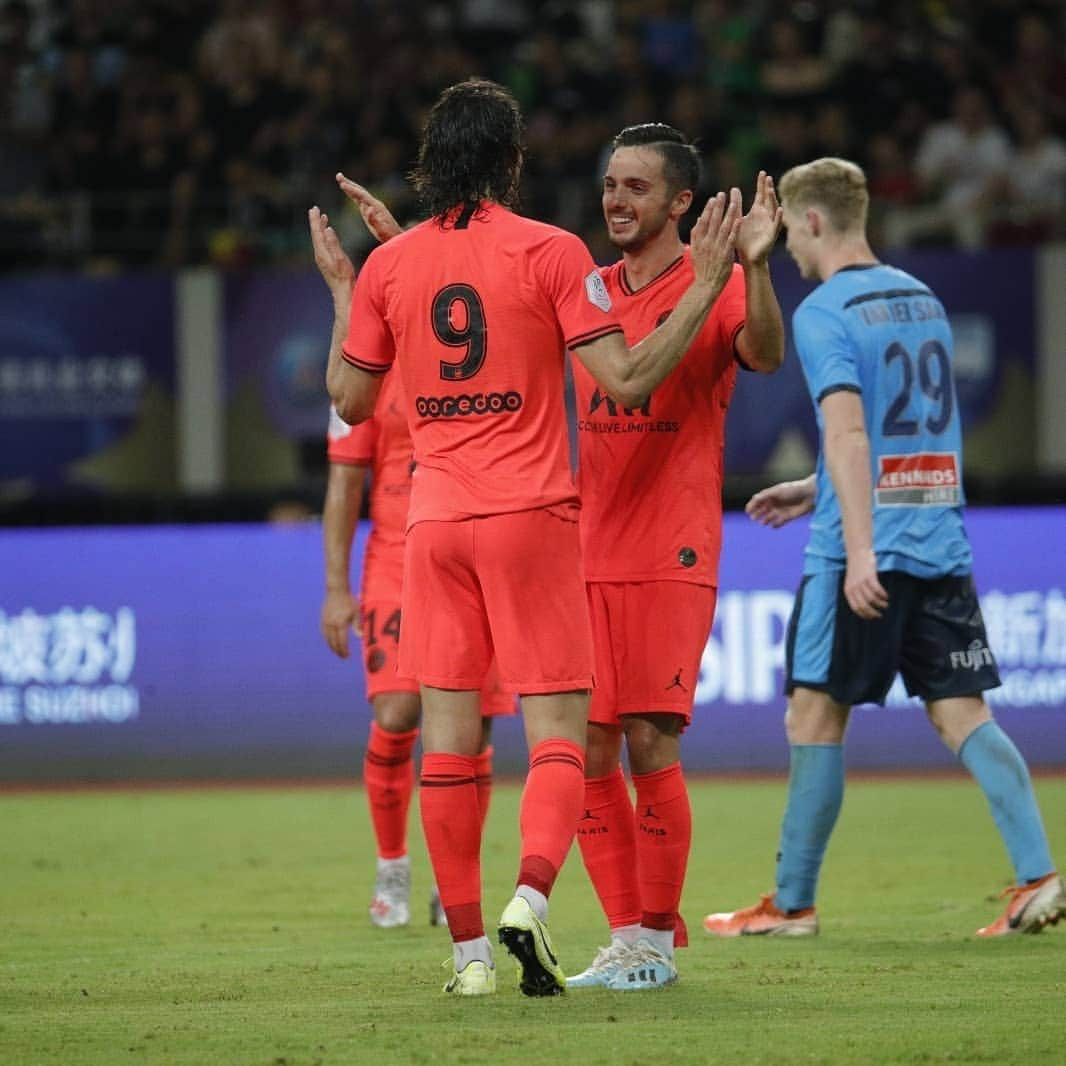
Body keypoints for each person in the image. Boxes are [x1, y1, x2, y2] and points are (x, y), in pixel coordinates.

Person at [310, 78, 744, 997]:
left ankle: (466, 955)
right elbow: (624, 381)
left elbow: (350, 401)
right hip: (533, 518)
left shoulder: (391, 268)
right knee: (559, 732)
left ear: (433, 163)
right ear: (510, 162)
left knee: (450, 744)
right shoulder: (553, 252)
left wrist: (350, 292)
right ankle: (532, 902)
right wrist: (705, 287)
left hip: (431, 526)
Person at [701, 157, 1064, 940]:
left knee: (813, 716)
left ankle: (791, 905)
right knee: (963, 713)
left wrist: (859, 549)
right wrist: (815, 486)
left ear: (815, 223)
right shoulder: (920, 298)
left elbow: (850, 427)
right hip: (938, 532)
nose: (791, 250)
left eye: (793, 233)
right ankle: (1038, 876)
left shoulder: (825, 309)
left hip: (857, 552)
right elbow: (911, 432)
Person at [564, 125, 784, 991]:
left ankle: (656, 945)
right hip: (586, 549)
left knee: (651, 742)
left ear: (681, 203)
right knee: (585, 750)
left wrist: (758, 267)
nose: (616, 201)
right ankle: (629, 939)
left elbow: (763, 354)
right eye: (610, 184)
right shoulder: (585, 289)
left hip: (671, 545)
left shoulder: (721, 285)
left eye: (636, 188)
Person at [321, 368, 514, 931]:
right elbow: (344, 483)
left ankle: (454, 878)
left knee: (472, 728)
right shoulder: (369, 369)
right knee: (398, 710)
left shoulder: (476, 347)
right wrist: (337, 588)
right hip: (395, 560)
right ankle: (392, 866)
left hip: (476, 552)